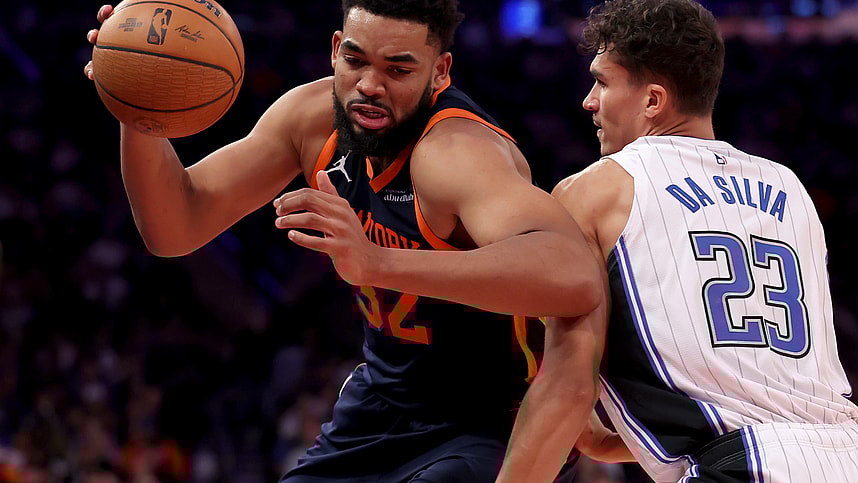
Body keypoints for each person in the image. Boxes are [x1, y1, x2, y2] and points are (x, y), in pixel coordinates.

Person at [84, 1, 607, 481]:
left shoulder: (454, 154)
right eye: (356, 60)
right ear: (336, 48)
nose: (370, 85)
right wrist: (141, 107)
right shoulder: (312, 119)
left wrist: (378, 263)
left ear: (440, 72)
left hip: (491, 420)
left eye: (398, 69)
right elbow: (175, 226)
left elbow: (573, 275)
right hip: (381, 403)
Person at [499, 0, 858, 482]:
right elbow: (756, 401)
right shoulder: (790, 188)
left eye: (602, 82)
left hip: (744, 468)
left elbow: (567, 389)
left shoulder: (598, 190)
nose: (588, 100)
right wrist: (618, 441)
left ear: (652, 101)